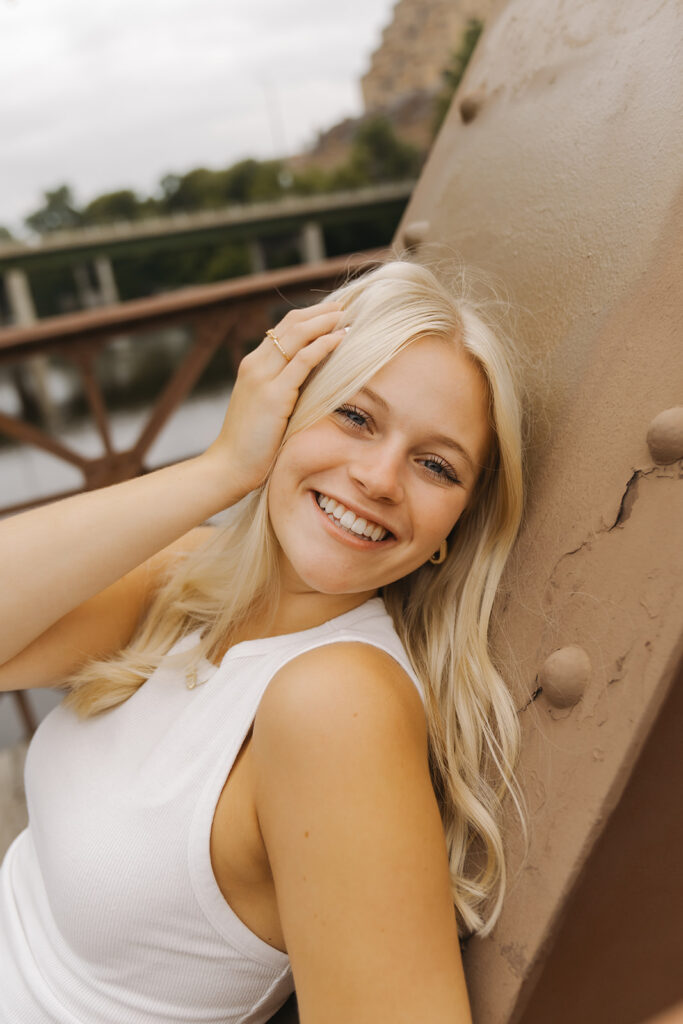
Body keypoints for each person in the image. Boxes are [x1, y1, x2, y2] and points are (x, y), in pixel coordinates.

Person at [0, 257, 525, 1024]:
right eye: (353, 416)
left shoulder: (338, 701)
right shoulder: (188, 580)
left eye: (434, 465)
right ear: (282, 411)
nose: (379, 478)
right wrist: (221, 470)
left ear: (456, 527)